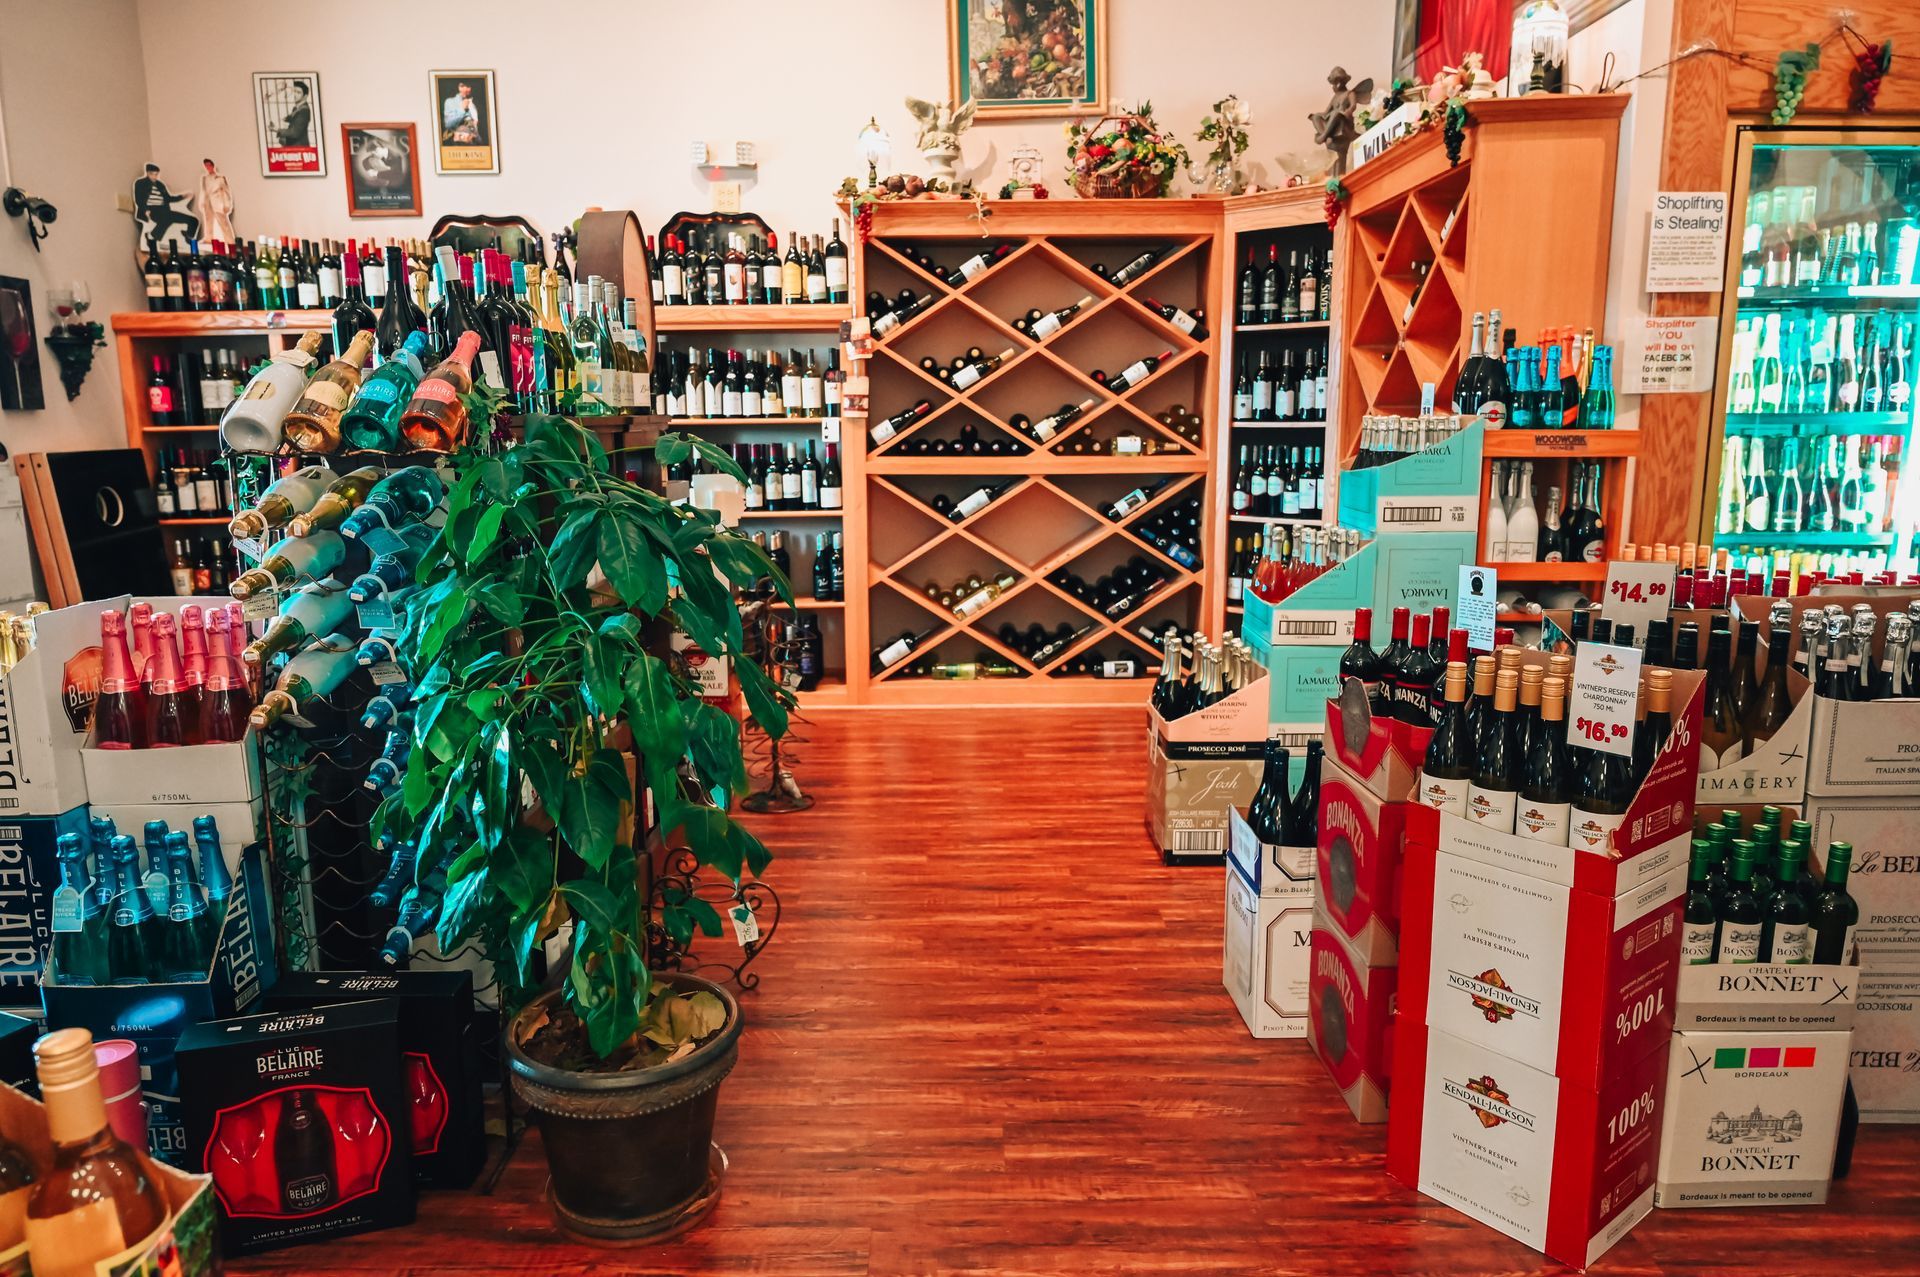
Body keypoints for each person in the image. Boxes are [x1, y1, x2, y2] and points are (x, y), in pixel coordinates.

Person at [132, 163, 198, 250]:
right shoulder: (140, 183)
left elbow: (168, 198)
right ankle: (151, 236)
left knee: (193, 220)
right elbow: (139, 199)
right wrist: (145, 209)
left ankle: (188, 236)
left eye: (156, 174)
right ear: (148, 173)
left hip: (165, 210)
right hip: (152, 210)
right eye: (153, 174)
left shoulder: (160, 184)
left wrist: (182, 196)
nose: (155, 177)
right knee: (167, 219)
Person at [195, 158, 234, 244]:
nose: (208, 167)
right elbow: (203, 191)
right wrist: (201, 202)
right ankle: (208, 238)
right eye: (206, 166)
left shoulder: (220, 178)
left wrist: (227, 204)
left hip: (218, 202)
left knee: (223, 222)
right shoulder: (204, 178)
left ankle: (230, 241)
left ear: (213, 166)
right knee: (208, 221)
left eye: (209, 165)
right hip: (207, 202)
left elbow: (227, 192)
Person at [441, 80, 481, 145]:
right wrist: (462, 109)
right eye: (462, 86)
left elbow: (476, 128)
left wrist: (479, 141)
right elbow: (448, 124)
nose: (465, 89)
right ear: (457, 87)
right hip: (456, 144)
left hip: (473, 144)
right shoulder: (450, 101)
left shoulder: (474, 104)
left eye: (468, 86)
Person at [277, 80, 312, 147]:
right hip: (293, 145)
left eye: (298, 92)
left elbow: (294, 133)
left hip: (299, 147)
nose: (295, 94)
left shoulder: (304, 110)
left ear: (305, 96)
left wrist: (277, 130)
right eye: (294, 91)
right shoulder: (296, 108)